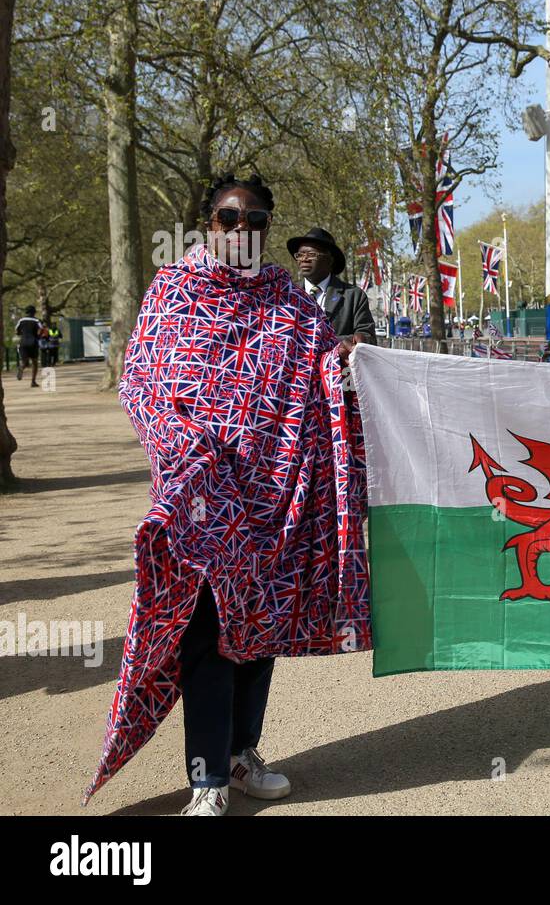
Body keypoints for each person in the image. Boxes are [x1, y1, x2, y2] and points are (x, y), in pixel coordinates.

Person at [86, 172, 371, 815]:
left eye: (257, 221)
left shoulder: (287, 298)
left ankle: (243, 753)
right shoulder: (173, 291)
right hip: (202, 501)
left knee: (258, 631)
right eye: (229, 218)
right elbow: (140, 384)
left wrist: (347, 356)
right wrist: (186, 451)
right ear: (207, 223)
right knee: (208, 633)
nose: (244, 230)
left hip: (273, 499)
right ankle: (207, 778)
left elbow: (322, 365)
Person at [288, 227, 376, 344]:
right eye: (300, 255)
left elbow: (368, 338)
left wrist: (325, 341)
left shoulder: (354, 296)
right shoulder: (287, 294)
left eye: (311, 254)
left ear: (330, 260)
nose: (304, 259)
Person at [14, 306, 39, 387]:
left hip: (23, 343)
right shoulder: (36, 320)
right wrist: (38, 336)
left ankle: (21, 367)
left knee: (24, 362)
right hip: (33, 343)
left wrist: (21, 333)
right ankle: (33, 382)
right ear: (34, 312)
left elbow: (16, 331)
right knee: (34, 362)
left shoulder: (21, 320)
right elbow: (42, 329)